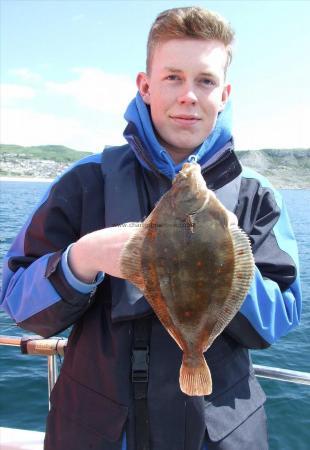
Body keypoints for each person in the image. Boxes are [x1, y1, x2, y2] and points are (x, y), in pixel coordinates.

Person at [0, 6, 302, 450]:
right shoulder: (85, 182)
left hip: (216, 434)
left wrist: (228, 258)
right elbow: (19, 305)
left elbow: (280, 318)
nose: (188, 96)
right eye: (172, 77)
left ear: (225, 93)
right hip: (98, 431)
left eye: (205, 80)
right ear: (145, 86)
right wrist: (80, 261)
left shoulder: (257, 196)